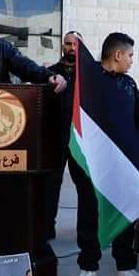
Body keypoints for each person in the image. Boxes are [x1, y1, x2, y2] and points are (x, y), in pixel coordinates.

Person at [68, 33, 139, 276]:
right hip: (91, 165)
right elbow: (70, 120)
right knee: (89, 213)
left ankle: (125, 267)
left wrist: (135, 151)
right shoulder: (85, 80)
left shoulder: (129, 85)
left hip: (122, 165)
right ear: (117, 54)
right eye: (130, 56)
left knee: (125, 211)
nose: (131, 61)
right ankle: (88, 268)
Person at [44, 31, 79, 241]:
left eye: (75, 44)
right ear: (62, 46)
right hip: (55, 137)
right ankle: (47, 228)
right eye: (68, 44)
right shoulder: (50, 73)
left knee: (85, 186)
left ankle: (87, 232)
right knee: (50, 185)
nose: (72, 48)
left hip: (79, 139)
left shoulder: (89, 75)